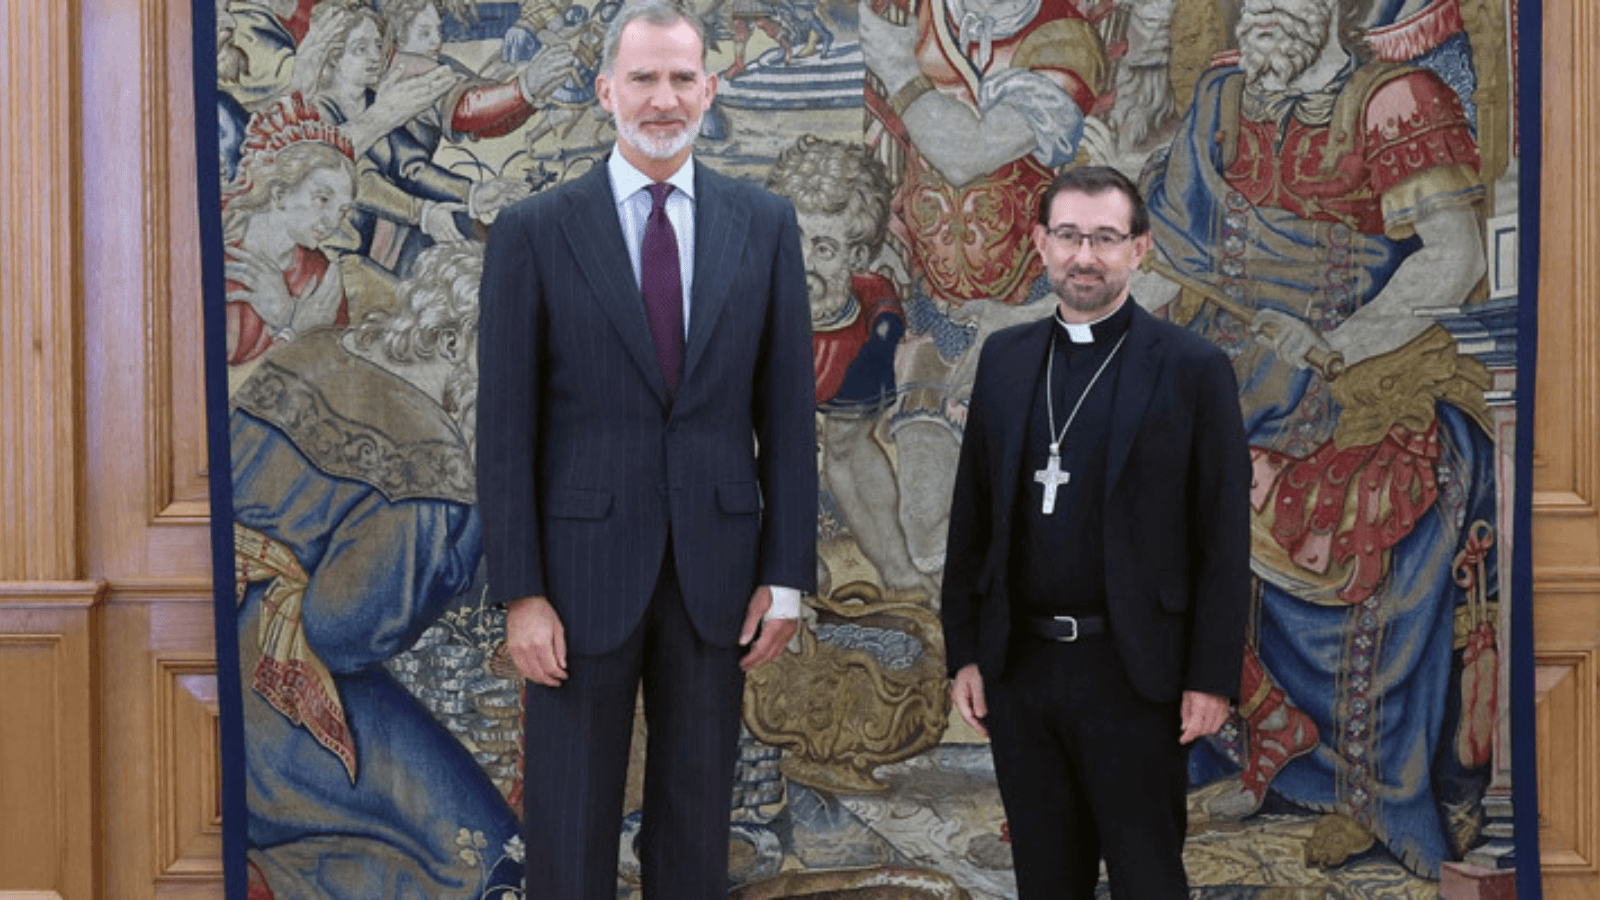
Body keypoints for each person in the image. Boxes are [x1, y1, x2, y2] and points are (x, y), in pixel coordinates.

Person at [1137, 0, 1499, 875]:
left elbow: (1454, 255)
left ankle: (1371, 795)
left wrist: (1339, 342)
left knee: (1358, 519)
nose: (1261, 9)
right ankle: (1254, 733)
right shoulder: (1219, 103)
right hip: (1226, 377)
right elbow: (1162, 265)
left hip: (1360, 375)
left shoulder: (1395, 101)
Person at [474, 1, 817, 897]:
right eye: (643, 78)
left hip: (719, 578)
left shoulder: (765, 224)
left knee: (695, 833)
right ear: (605, 91)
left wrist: (785, 577)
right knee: (568, 831)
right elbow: (505, 432)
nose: (662, 99)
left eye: (679, 78)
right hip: (576, 583)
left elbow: (786, 415)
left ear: (709, 88)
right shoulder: (534, 232)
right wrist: (521, 593)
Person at [941, 166, 1251, 899]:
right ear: (1042, 243)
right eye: (1071, 236)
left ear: (1138, 250)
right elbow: (974, 517)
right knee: (1047, 881)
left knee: (1148, 879)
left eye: (1106, 239)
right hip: (1023, 669)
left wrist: (1210, 676)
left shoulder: (1192, 368)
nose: (1086, 256)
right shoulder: (1007, 361)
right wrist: (966, 652)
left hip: (1134, 672)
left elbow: (1223, 539)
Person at [231, 242, 522, 898]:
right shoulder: (431, 466)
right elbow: (343, 631)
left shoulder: (318, 351)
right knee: (486, 856)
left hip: (207, 652)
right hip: (281, 699)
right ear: (457, 340)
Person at [764, 135, 932, 600]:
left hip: (844, 362)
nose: (803, 262)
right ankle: (794, 570)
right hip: (777, 401)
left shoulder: (870, 313)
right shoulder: (760, 297)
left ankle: (897, 570)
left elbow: (885, 310)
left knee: (849, 451)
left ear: (855, 257)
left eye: (823, 249)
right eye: (793, 239)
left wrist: (880, 346)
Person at [220, 92, 355, 371]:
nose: (333, 221)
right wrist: (292, 331)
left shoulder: (320, 276)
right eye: (322, 199)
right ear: (280, 193)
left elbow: (337, 380)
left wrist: (286, 315)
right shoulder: (218, 260)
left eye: (342, 210)